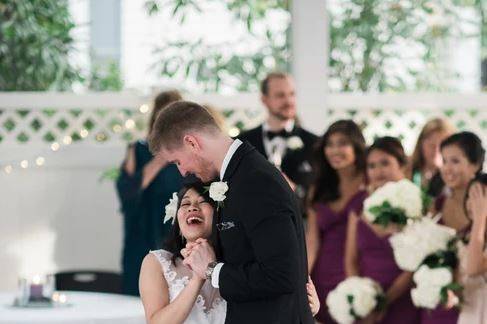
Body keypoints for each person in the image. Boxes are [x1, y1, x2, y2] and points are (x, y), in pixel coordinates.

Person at [148, 101, 315, 323]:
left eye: (178, 161)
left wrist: (211, 270)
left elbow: (282, 274)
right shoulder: (239, 174)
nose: (182, 171)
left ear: (191, 142)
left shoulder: (255, 181)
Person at [139, 182, 320, 324]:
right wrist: (198, 277)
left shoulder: (238, 266)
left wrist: (305, 306)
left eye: (203, 202)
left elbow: (271, 306)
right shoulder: (157, 262)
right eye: (185, 203)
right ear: (177, 223)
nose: (192, 207)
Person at [115, 90, 184, 295]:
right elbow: (127, 192)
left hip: (177, 240)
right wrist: (160, 159)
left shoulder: (187, 154)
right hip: (142, 237)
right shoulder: (138, 150)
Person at [345, 137, 420, 324]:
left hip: (404, 300)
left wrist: (385, 301)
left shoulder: (417, 205)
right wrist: (362, 300)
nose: (378, 171)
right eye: (372, 166)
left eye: (385, 163)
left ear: (402, 165)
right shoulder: (358, 205)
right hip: (367, 305)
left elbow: (417, 262)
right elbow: (351, 259)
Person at [306, 120, 367, 323]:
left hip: (359, 272)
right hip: (322, 276)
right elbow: (312, 240)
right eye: (329, 144)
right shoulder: (319, 188)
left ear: (357, 147)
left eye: (342, 143)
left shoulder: (370, 183)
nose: (334, 150)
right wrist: (302, 278)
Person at [422, 131, 485, 324]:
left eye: (455, 161)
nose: (447, 169)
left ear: (474, 165)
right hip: (442, 301)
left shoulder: (482, 208)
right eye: (444, 161)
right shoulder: (436, 204)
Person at [238, 72, 318, 207]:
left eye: (292, 94)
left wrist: (296, 190)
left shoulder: (315, 143)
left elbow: (321, 197)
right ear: (264, 99)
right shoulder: (242, 142)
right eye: (280, 95)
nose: (289, 101)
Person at [458, 173, 487, 324]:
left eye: (481, 196)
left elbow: (474, 268)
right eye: (471, 196)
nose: (474, 203)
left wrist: (480, 217)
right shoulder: (462, 238)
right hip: (470, 315)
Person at [409, 118, 455, 197]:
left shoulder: (454, 178)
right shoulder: (408, 169)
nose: (436, 150)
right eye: (431, 144)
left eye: (442, 145)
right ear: (421, 144)